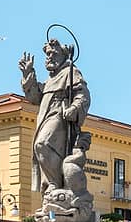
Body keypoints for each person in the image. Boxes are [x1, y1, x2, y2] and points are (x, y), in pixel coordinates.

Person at [19, 39, 91, 197]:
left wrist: (74, 108)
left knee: (42, 144)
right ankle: (54, 183)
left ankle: (55, 182)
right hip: (44, 116)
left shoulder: (70, 72)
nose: (49, 57)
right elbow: (34, 98)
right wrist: (28, 74)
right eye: (47, 54)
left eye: (53, 53)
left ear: (62, 55)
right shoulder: (50, 79)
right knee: (40, 147)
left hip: (60, 114)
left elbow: (83, 94)